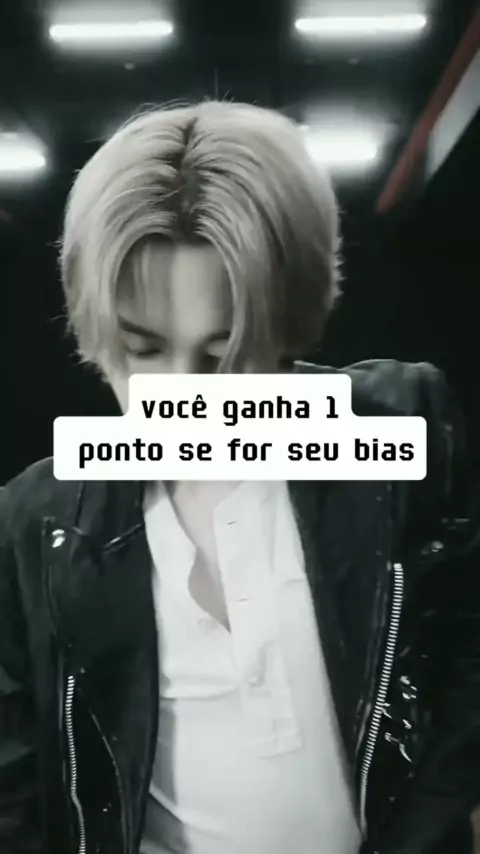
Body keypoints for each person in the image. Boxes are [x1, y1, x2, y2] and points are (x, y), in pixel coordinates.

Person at [0, 101, 479, 854]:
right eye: (144, 349)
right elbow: (17, 784)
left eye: (224, 355)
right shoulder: (33, 523)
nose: (182, 399)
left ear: (285, 324)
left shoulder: (404, 428)